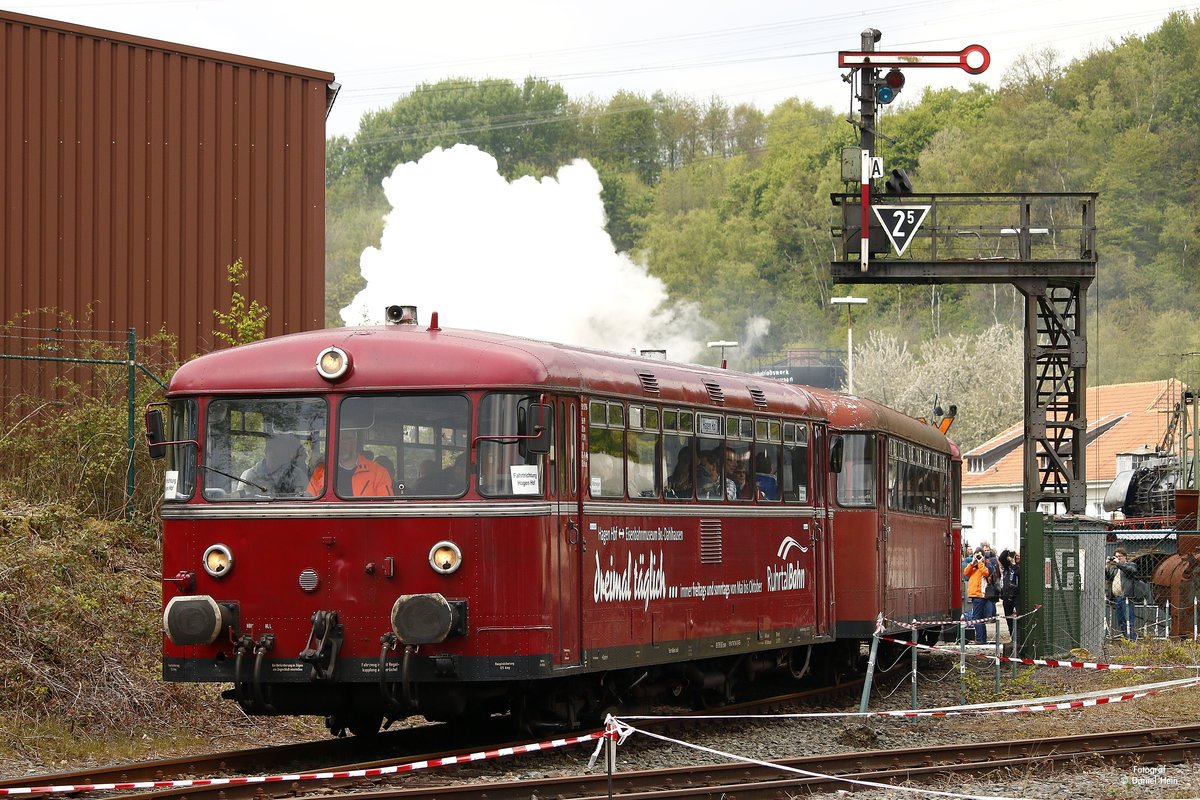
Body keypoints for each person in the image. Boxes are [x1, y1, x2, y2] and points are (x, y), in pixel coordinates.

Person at [307, 428, 392, 497]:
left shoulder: (379, 472)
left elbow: (386, 508)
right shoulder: (321, 472)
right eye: (338, 439)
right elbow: (309, 502)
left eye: (346, 439)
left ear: (355, 441)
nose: (341, 443)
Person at [235, 433, 307, 496]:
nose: (277, 460)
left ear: (288, 456)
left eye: (281, 456)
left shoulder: (298, 476)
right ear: (266, 452)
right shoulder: (249, 476)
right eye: (274, 454)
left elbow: (305, 500)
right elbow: (242, 502)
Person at [963, 542, 996, 645]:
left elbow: (986, 573)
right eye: (976, 554)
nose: (977, 557)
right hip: (974, 594)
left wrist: (981, 561)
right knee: (980, 618)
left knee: (976, 618)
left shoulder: (986, 564)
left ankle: (980, 639)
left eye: (979, 555)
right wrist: (973, 562)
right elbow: (966, 573)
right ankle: (982, 639)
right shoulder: (973, 566)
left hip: (980, 594)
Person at [1106, 547, 1139, 640]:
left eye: (1120, 556)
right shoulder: (1115, 569)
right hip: (1117, 598)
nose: (1118, 558)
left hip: (1127, 597)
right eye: (1116, 556)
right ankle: (1126, 639)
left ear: (1125, 557)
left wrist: (1119, 563)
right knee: (1121, 621)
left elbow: (1132, 571)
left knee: (1129, 620)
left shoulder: (1131, 565)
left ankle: (1132, 640)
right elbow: (1107, 576)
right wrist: (1106, 565)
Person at [997, 549, 1020, 639]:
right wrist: (1008, 552)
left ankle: (1018, 639)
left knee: (1019, 619)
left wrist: (1014, 564)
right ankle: (1012, 638)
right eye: (1015, 555)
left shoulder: (1019, 567)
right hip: (1007, 596)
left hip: (1017, 596)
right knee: (1009, 620)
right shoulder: (1007, 567)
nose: (1016, 557)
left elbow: (1018, 572)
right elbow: (1001, 558)